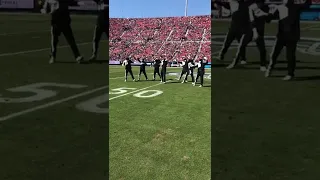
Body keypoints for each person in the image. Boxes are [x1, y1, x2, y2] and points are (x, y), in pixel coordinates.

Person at [265, 0, 311, 80]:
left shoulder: (296, 7)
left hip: (292, 36)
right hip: (281, 36)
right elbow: (268, 20)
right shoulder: (280, 8)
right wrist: (269, 13)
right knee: (274, 54)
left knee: (290, 56)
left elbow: (307, 5)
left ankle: (290, 74)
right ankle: (270, 67)